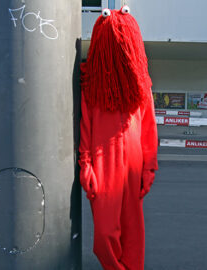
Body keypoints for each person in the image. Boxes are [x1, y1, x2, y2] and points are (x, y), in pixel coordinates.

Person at [79, 6, 158, 270]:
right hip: (104, 162)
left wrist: (149, 166)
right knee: (104, 235)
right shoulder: (92, 83)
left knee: (133, 232)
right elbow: (86, 125)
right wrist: (86, 163)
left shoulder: (141, 84)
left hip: (133, 162)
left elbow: (148, 128)